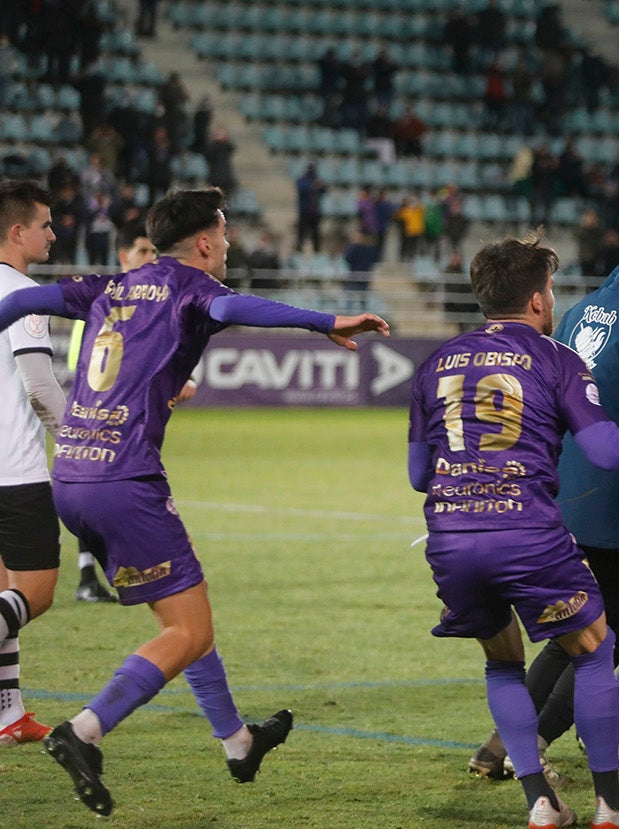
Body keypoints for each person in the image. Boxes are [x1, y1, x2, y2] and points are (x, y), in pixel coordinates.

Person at [0, 187, 389, 816]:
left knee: (185, 611)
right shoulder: (192, 288)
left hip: (71, 477)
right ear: (205, 242)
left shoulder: (112, 284)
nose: (229, 245)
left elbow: (18, 299)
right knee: (189, 628)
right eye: (226, 234)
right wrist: (327, 321)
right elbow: (246, 308)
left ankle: (238, 742)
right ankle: (86, 730)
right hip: (125, 483)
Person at [407, 234, 619, 829]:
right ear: (539, 300)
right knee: (593, 652)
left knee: (503, 664)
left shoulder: (436, 362)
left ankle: (541, 801)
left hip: (451, 535)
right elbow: (610, 452)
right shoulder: (556, 358)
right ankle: (613, 806)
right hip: (526, 529)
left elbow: (418, 474)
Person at [0, 181, 66, 745]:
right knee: (35, 594)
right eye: (45, 223)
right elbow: (41, 389)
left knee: (2, 595)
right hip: (14, 472)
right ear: (17, 231)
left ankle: (8, 715)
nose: (53, 232)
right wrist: (81, 441)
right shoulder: (25, 294)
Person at [66, 220, 163, 603]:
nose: (151, 258)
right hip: (99, 421)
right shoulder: (102, 301)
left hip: (133, 421)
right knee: (101, 498)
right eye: (144, 251)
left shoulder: (153, 301)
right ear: (123, 257)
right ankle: (95, 574)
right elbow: (82, 367)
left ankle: (104, 573)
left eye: (154, 251)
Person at [295, 163, 326, 253]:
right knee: (301, 232)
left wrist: (320, 185)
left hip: (314, 211)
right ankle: (299, 250)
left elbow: (324, 190)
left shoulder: (316, 179)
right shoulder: (302, 179)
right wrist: (314, 186)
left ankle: (317, 251)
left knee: (315, 234)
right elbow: (302, 189)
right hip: (304, 211)